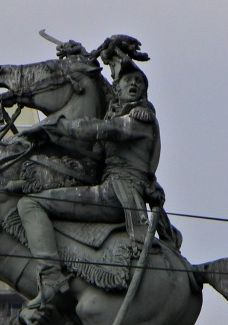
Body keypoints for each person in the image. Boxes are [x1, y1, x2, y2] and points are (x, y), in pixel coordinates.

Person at [15, 35, 181, 308]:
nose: (134, 84)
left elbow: (106, 130)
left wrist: (58, 126)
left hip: (119, 193)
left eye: (139, 82)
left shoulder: (141, 118)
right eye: (128, 81)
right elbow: (104, 91)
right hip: (112, 187)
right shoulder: (118, 110)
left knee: (30, 205)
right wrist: (84, 56)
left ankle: (51, 278)